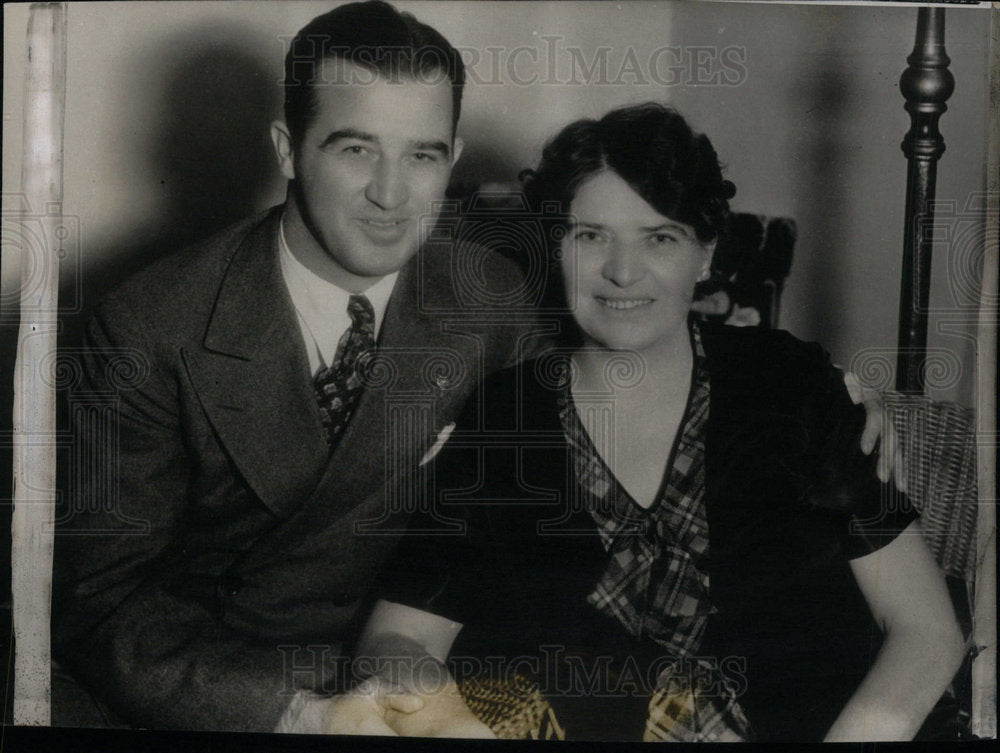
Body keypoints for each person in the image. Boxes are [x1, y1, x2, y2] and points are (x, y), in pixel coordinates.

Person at [52, 1, 896, 736]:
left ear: (451, 157)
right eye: (355, 149)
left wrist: (830, 401)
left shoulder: (483, 290)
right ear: (286, 146)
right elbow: (102, 603)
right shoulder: (148, 326)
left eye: (421, 154)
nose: (391, 193)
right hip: (255, 691)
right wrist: (294, 712)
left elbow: (594, 394)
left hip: (456, 672)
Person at [361, 103, 965, 742]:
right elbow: (395, 637)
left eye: (660, 237)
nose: (623, 272)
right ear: (555, 246)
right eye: (589, 235)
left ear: (704, 254)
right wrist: (451, 724)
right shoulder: (505, 414)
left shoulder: (793, 385)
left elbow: (926, 631)